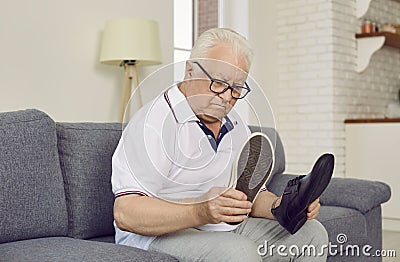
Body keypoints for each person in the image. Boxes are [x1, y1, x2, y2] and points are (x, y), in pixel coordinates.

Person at [111, 28, 331, 261]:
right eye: (219, 83)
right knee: (237, 252)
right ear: (190, 71)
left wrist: (285, 206)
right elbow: (126, 213)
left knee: (311, 235)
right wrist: (202, 210)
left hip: (219, 227)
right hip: (156, 235)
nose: (227, 97)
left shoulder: (235, 123)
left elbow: (249, 197)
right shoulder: (153, 124)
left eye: (237, 88)